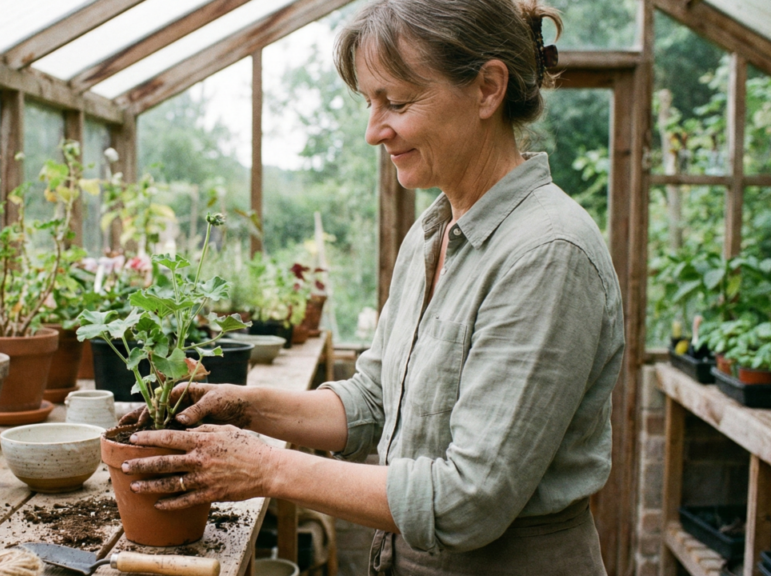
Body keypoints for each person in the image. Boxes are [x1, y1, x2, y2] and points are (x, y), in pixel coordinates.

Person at [118, 0, 624, 573]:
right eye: (368, 102)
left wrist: (268, 469)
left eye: (398, 102)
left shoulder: (547, 253)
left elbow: (469, 502)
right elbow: (375, 401)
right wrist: (243, 409)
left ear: (487, 88)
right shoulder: (433, 234)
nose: (372, 131)